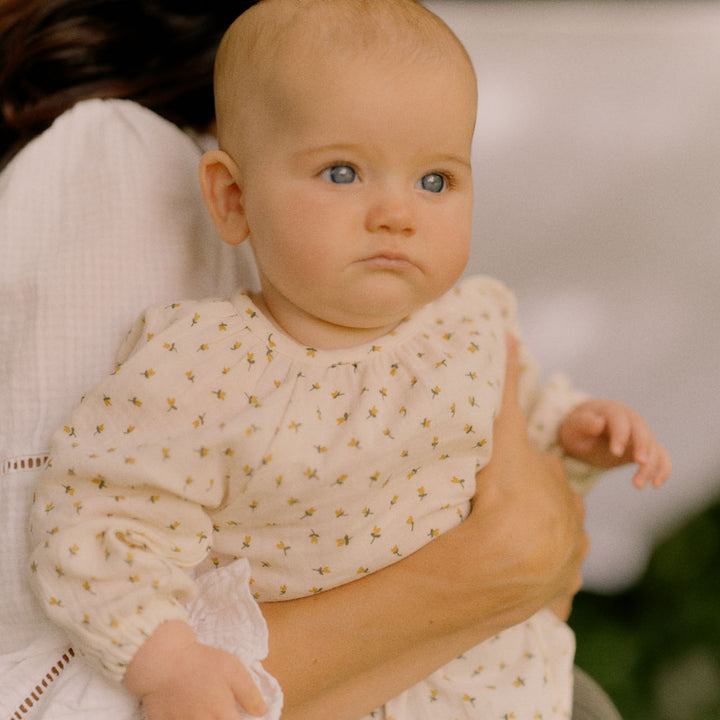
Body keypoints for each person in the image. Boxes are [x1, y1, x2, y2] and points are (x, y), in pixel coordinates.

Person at [26, 0, 671, 719]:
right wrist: (168, 658)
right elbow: (99, 516)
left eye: (435, 181)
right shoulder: (202, 369)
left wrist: (578, 427)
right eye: (342, 172)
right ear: (233, 198)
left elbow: (515, 425)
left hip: (516, 689)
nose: (397, 213)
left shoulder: (469, 324)